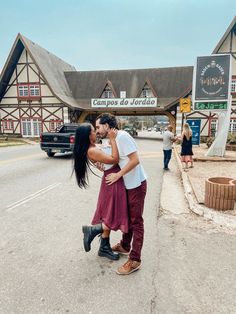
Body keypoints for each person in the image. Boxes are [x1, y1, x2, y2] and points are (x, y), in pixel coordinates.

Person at [95, 113, 147, 275]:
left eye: (98, 127)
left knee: (136, 221)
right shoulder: (112, 139)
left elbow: (134, 160)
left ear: (107, 125)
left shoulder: (123, 136)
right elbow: (115, 160)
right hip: (127, 185)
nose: (97, 130)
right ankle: (125, 245)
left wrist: (118, 175)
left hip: (136, 184)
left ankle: (135, 259)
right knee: (128, 216)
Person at [73, 123, 129, 261]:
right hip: (113, 180)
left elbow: (105, 161)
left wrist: (110, 143)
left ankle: (104, 247)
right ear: (88, 135)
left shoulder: (93, 147)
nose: (96, 132)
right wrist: (114, 139)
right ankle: (92, 230)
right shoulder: (91, 150)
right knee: (115, 214)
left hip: (111, 179)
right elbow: (114, 160)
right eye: (93, 131)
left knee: (108, 214)